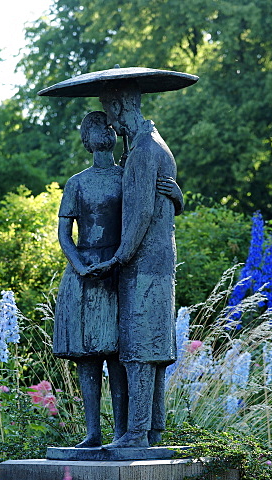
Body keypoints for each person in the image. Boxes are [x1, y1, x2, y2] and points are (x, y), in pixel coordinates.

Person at [89, 83, 183, 448]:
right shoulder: (154, 144)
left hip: (143, 266)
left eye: (111, 114)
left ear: (123, 106)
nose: (111, 124)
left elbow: (142, 212)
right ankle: (152, 430)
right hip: (159, 263)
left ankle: (136, 434)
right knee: (156, 349)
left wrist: (119, 257)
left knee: (140, 350)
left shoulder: (144, 150)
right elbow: (164, 200)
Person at [53, 111, 128, 447]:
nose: (102, 131)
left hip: (117, 271)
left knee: (117, 355)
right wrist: (80, 266)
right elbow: (64, 233)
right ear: (85, 139)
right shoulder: (77, 182)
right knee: (88, 358)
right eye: (93, 127)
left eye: (107, 125)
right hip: (83, 274)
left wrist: (117, 260)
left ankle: (122, 432)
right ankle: (92, 432)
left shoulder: (127, 177)